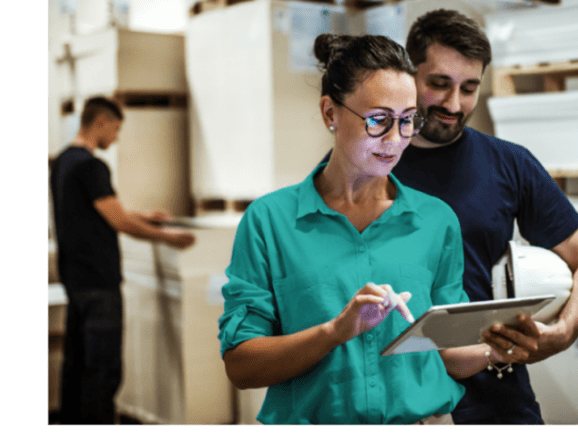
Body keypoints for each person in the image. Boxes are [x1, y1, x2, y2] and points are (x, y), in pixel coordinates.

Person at [218, 33, 523, 426]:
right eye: (379, 120)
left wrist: (499, 349)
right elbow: (242, 367)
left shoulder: (436, 221)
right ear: (330, 113)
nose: (396, 140)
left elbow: (445, 351)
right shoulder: (269, 222)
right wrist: (334, 331)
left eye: (408, 120)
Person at [388, 9, 578, 425]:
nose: (454, 105)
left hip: (499, 402)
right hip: (397, 403)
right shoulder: (369, 165)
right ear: (409, 75)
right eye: (439, 85)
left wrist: (562, 334)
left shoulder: (508, 163)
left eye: (469, 88)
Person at [50, 96, 196, 425]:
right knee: (103, 370)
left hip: (75, 280)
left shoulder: (63, 161)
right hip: (99, 282)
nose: (116, 137)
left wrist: (144, 215)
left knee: (78, 363)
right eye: (115, 129)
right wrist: (169, 237)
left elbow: (95, 212)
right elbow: (119, 223)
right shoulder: (92, 166)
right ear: (100, 122)